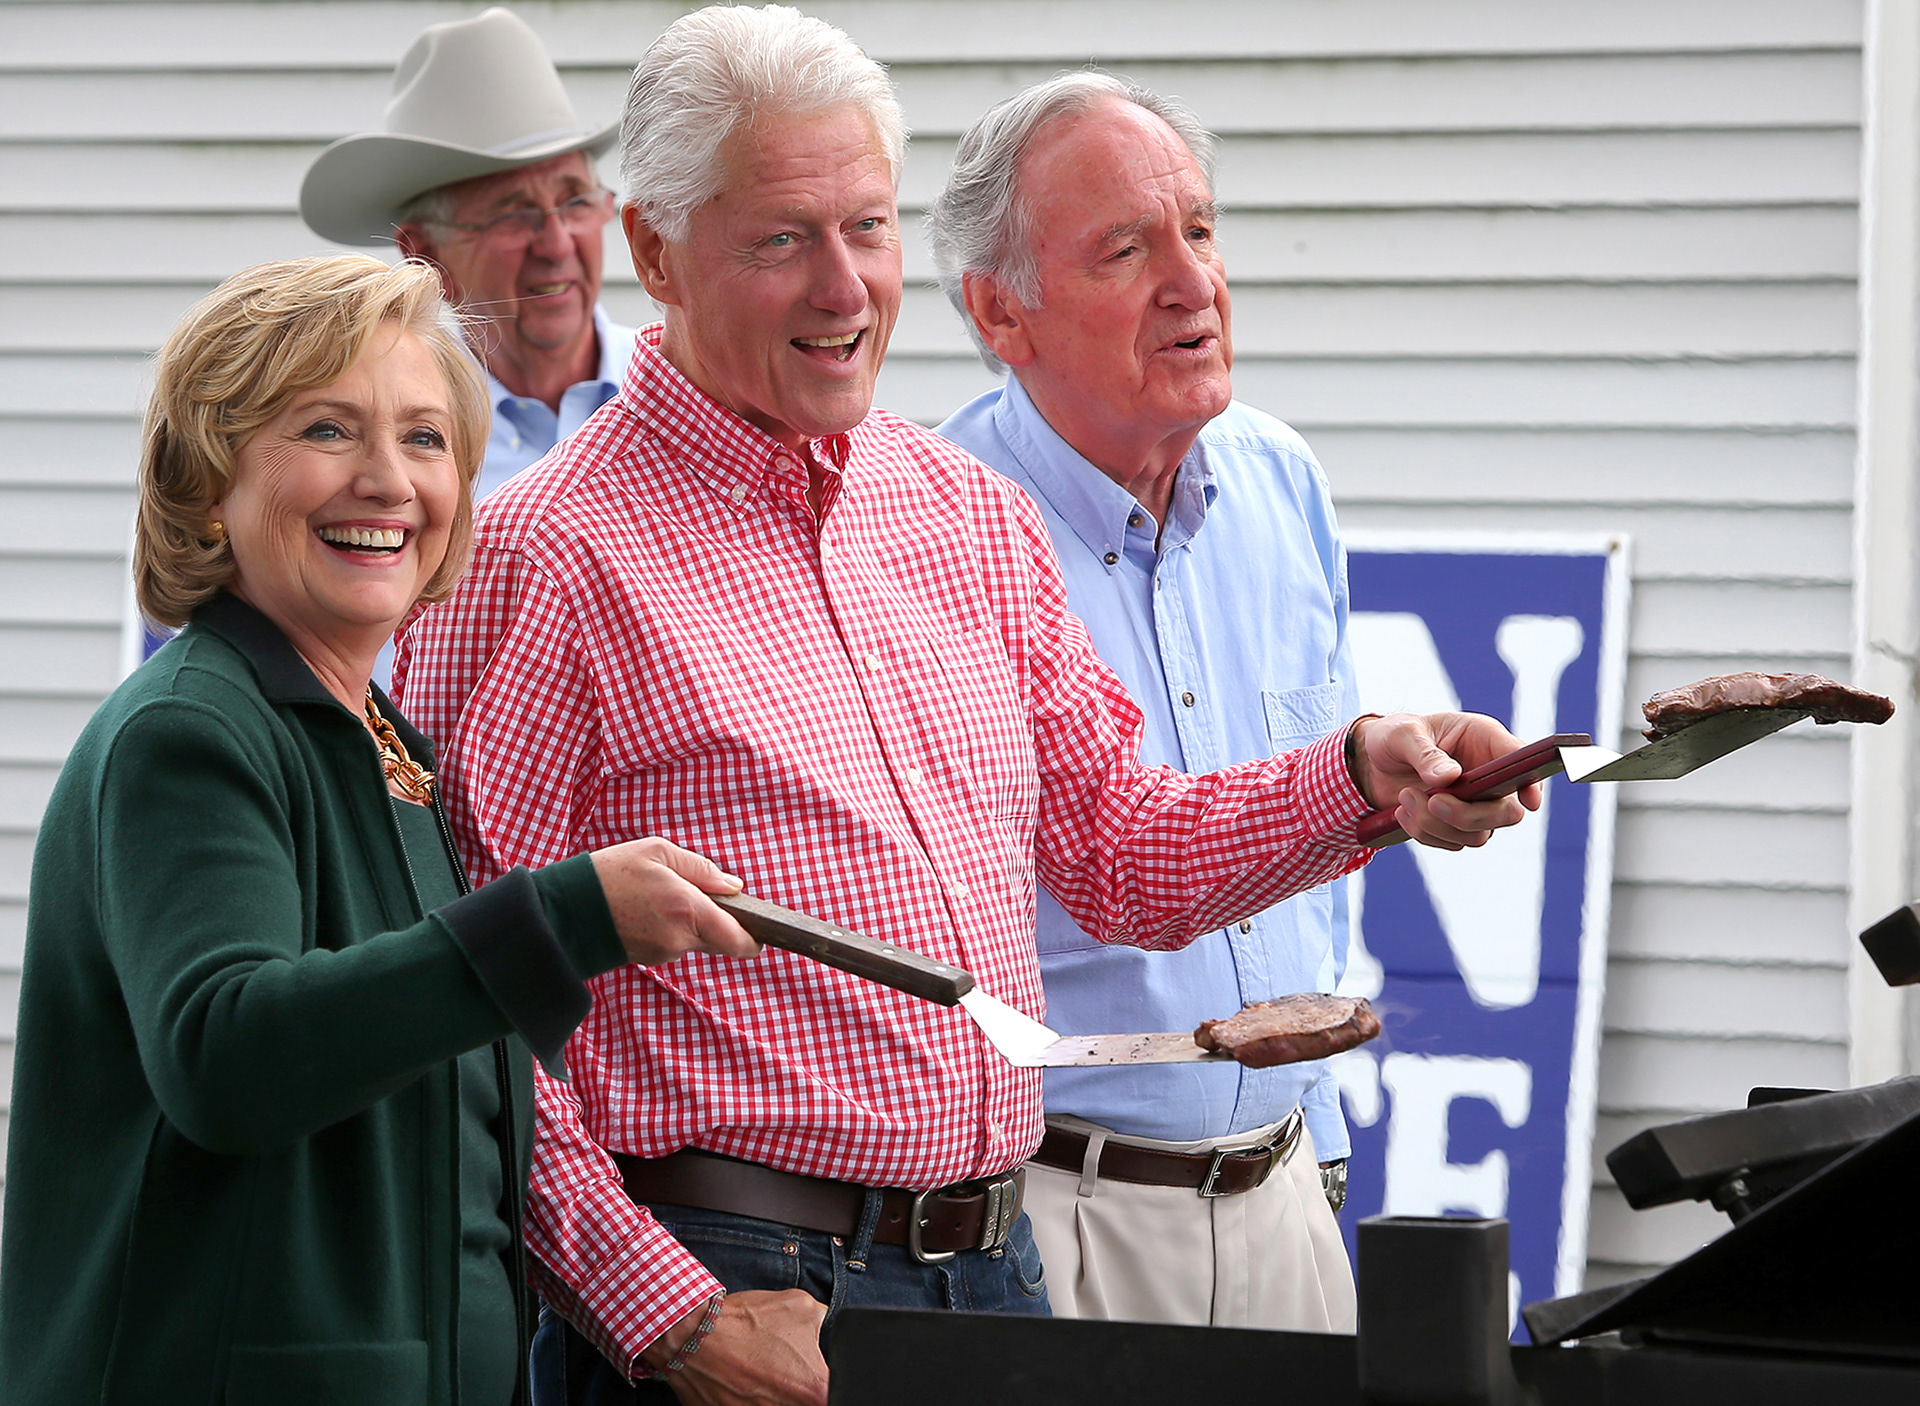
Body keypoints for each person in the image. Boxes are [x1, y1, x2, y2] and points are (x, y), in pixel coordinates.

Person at [394, 8, 1539, 1404]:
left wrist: (1368, 778)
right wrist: (673, 1314)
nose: (845, 286)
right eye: (782, 239)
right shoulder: (539, 557)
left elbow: (1123, 848)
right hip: (738, 1274)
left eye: (867, 228)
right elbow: (464, 1023)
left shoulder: (962, 512)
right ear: (653, 253)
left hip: (997, 1273)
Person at [0, 254, 760, 1406]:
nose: (387, 480)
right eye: (326, 428)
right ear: (209, 481)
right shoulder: (189, 733)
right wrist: (562, 915)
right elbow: (229, 1052)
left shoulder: (386, 748)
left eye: (423, 438)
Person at [929, 72, 1365, 1331]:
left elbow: (1312, 871)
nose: (1194, 283)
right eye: (1128, 248)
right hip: (1059, 1208)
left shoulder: (1284, 482)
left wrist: (1320, 1139)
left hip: (1286, 1188)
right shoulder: (937, 528)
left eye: (1203, 230)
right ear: (1000, 313)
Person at [300, 7, 633, 504]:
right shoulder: (391, 454)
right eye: (515, 214)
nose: (558, 244)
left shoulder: (688, 394)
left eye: (576, 200)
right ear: (427, 257)